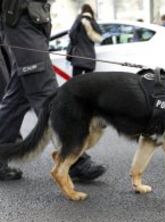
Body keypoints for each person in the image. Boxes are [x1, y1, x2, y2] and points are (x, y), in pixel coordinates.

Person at [0, 0, 105, 181]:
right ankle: (74, 159)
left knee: (17, 97)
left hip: (31, 18)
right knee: (47, 93)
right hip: (21, 17)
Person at [68, 4, 102, 76]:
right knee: (89, 84)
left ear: (82, 11)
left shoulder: (79, 20)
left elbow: (71, 34)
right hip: (90, 58)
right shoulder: (93, 21)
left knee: (76, 83)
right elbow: (100, 36)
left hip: (79, 57)